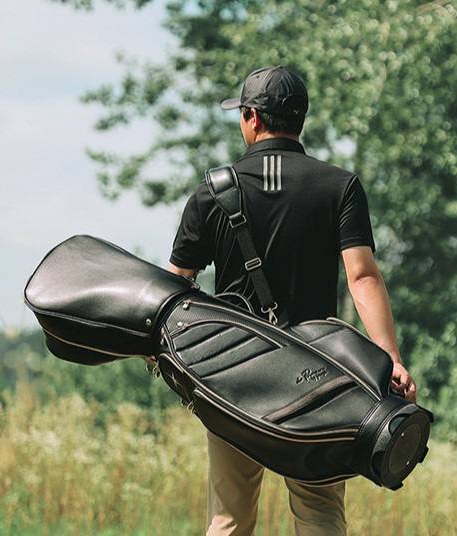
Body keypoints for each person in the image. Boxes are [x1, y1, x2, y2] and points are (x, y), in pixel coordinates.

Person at [167, 65, 417, 536]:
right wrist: (390, 358)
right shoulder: (339, 186)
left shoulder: (212, 192)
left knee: (229, 519)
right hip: (318, 379)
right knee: (320, 513)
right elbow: (362, 276)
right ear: (299, 119)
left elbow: (175, 289)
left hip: (235, 378)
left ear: (253, 118)